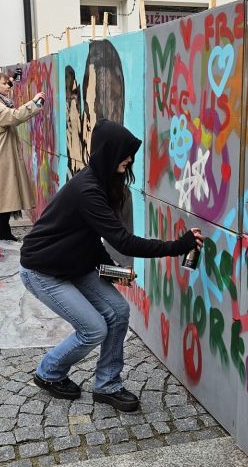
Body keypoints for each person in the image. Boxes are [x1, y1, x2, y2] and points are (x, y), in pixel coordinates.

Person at [19, 120, 203, 412]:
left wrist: (111, 271)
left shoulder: (104, 184)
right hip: (43, 271)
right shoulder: (87, 190)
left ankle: (107, 385)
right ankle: (48, 372)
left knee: (118, 311)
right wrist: (177, 246)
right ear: (108, 152)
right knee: (93, 329)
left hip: (75, 265)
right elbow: (123, 241)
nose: (130, 159)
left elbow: (91, 239)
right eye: (125, 153)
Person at [0, 72, 44, 241]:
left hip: (3, 155)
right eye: (5, 84)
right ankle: (2, 234)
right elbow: (14, 116)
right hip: (1, 158)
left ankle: (2, 232)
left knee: (4, 196)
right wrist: (34, 103)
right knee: (4, 196)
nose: (8, 86)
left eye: (8, 84)